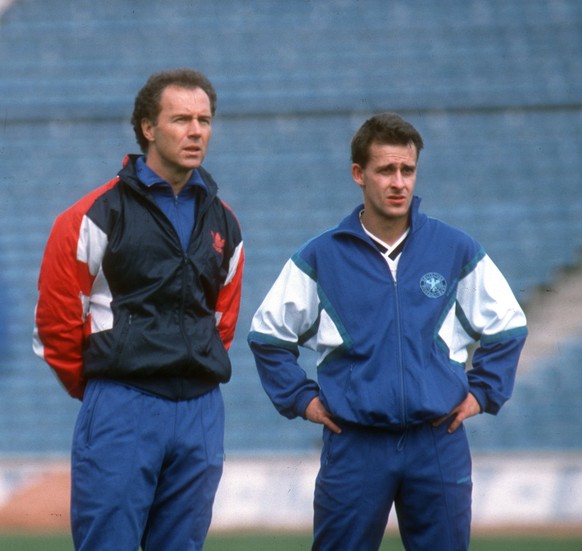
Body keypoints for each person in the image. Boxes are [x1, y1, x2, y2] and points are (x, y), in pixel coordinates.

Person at [248, 112, 527, 550]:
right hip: (355, 444)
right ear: (359, 174)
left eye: (407, 170)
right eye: (385, 170)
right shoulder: (322, 255)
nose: (398, 182)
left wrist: (482, 393)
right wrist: (301, 399)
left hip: (437, 441)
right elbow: (268, 336)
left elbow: (508, 326)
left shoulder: (453, 248)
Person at [33, 68, 244, 551]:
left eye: (204, 120)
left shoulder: (225, 223)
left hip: (199, 412)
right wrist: (105, 389)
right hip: (122, 406)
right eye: (181, 119)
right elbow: (56, 325)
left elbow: (221, 321)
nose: (195, 131)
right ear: (148, 127)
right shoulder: (94, 215)